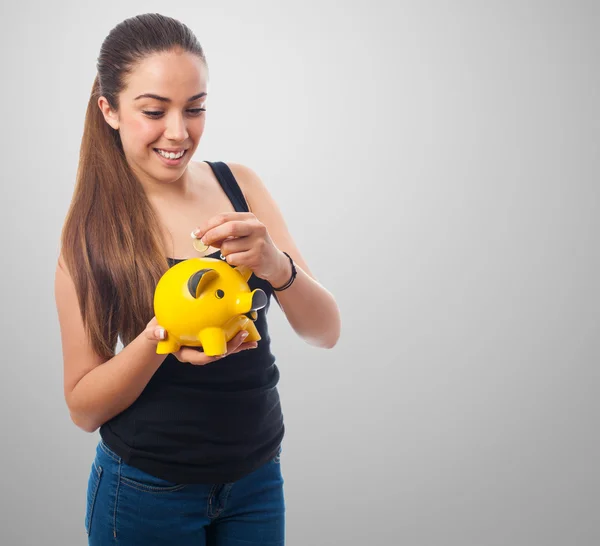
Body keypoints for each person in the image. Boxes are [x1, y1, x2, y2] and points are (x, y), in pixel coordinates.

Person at [54, 13, 341, 546]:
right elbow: (83, 407)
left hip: (256, 482)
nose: (179, 132)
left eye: (196, 108)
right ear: (109, 110)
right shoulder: (90, 236)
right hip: (144, 494)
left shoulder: (241, 186)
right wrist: (161, 336)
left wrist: (275, 266)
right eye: (154, 111)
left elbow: (325, 332)